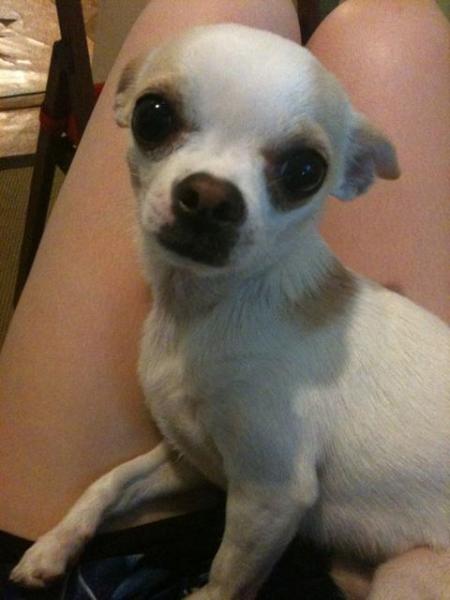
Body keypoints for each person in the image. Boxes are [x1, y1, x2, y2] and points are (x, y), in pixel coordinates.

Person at [1, 0, 448, 597]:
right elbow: (208, 455)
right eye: (159, 121)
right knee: (395, 25)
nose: (212, 193)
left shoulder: (268, 355)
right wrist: (91, 508)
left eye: (297, 171)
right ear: (122, 102)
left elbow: (274, 493)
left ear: (353, 173)